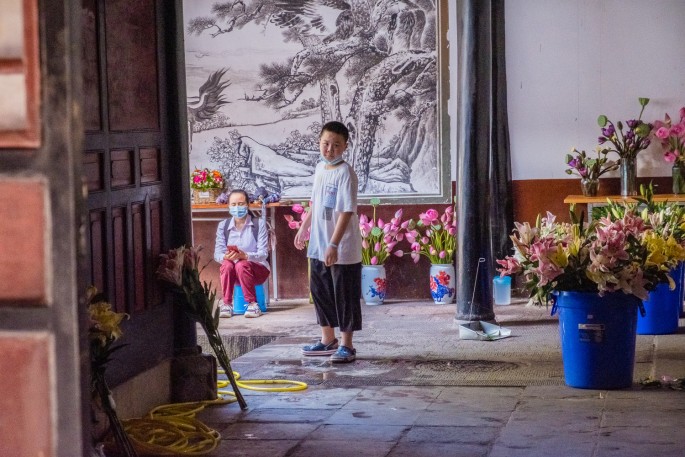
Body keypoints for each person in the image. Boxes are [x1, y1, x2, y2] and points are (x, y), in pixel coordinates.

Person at [294, 121, 362, 363]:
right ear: (319, 142)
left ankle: (347, 345)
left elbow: (346, 211)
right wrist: (304, 226)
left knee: (344, 294)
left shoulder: (346, 173)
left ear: (345, 146)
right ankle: (327, 340)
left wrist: (333, 244)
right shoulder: (320, 168)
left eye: (335, 145)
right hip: (318, 243)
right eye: (325, 143)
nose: (329, 149)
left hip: (341, 247)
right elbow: (316, 201)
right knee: (320, 291)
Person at [214, 189, 270, 318]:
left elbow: (263, 254)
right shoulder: (223, 226)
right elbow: (217, 253)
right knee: (227, 264)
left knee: (242, 264)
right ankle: (227, 304)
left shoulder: (258, 224)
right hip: (232, 272)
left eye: (241, 204)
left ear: (247, 205)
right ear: (228, 206)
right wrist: (225, 257)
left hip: (257, 270)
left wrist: (245, 256)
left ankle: (252, 304)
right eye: (233, 204)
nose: (237, 207)